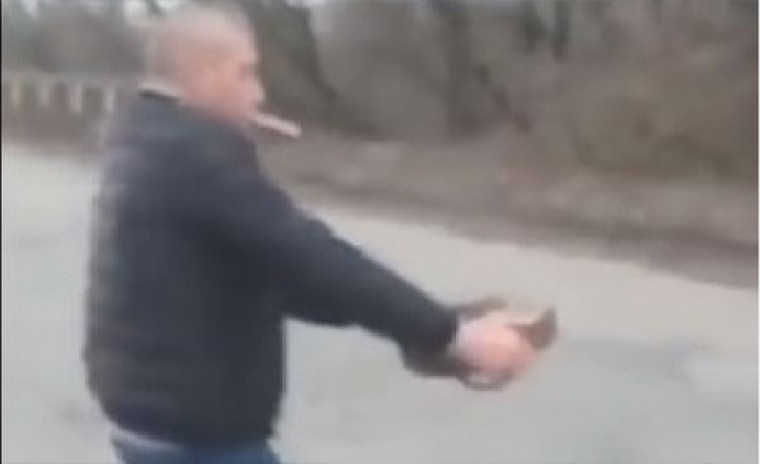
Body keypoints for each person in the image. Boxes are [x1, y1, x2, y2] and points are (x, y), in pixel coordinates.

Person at [83, 4, 536, 464]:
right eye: (246, 73)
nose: (258, 93)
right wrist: (452, 336)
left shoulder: (150, 142)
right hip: (197, 440)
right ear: (203, 72)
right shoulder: (192, 154)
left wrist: (423, 328)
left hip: (156, 423)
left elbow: (279, 276)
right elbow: (309, 254)